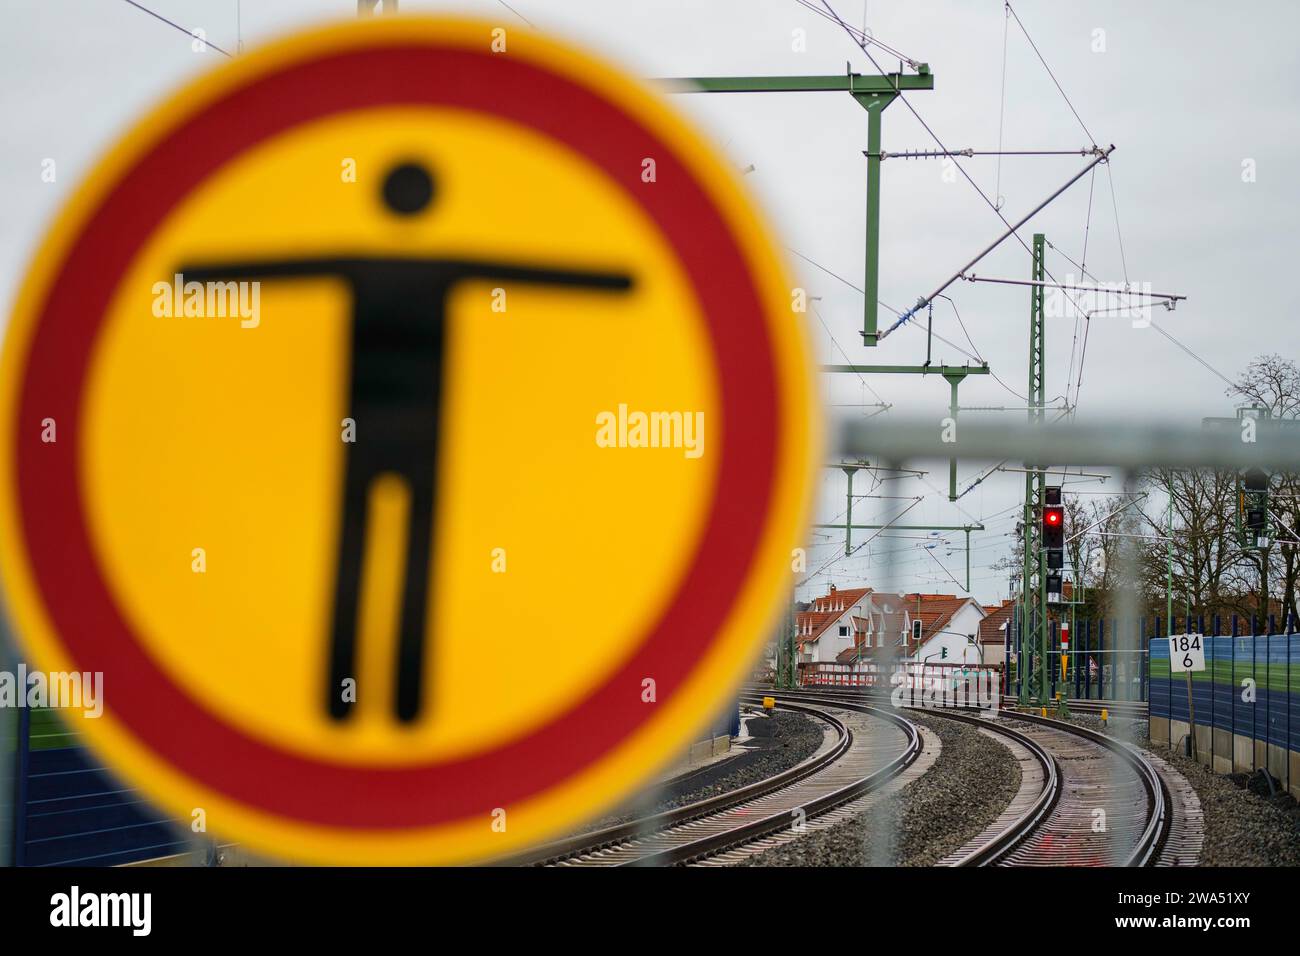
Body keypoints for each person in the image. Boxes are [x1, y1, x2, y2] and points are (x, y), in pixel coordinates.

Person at [181, 161, 634, 722]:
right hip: (425, 441)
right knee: (418, 566)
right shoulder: (444, 266)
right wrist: (625, 281)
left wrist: (192, 275)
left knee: (350, 560)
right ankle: (408, 702)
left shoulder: (357, 263)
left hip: (361, 436)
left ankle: (337, 697)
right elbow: (540, 275)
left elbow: (276, 268)